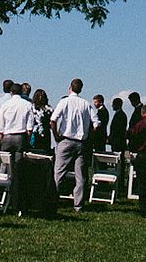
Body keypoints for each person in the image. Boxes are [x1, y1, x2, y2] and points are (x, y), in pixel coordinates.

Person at [51, 78, 94, 211]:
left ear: (70, 88)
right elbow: (96, 123)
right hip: (81, 142)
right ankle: (78, 204)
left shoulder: (64, 102)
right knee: (80, 175)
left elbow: (53, 120)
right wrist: (88, 135)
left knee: (59, 172)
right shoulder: (86, 104)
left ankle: (53, 200)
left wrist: (57, 135)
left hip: (66, 139)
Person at [0, 79, 33, 216]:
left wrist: (2, 139)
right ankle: (17, 196)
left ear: (11, 92)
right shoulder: (27, 105)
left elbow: (0, 127)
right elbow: (29, 128)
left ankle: (1, 193)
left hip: (7, 135)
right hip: (20, 136)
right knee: (18, 168)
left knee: (5, 166)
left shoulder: (5, 105)